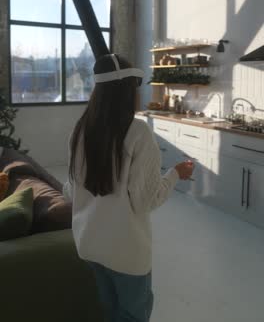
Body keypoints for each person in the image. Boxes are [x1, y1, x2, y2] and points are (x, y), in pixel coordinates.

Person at [63, 53, 194, 322]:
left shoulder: (81, 129)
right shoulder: (138, 133)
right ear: (125, 91)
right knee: (133, 315)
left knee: (110, 310)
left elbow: (70, 189)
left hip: (88, 244)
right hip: (126, 253)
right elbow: (147, 200)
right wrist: (175, 174)